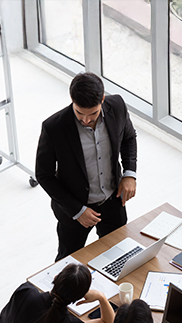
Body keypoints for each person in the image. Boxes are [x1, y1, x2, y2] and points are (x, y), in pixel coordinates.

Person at [36, 72, 139, 261]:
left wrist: (129, 173)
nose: (85, 120)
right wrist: (77, 210)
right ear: (72, 100)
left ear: (102, 99)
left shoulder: (117, 106)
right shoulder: (54, 127)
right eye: (79, 113)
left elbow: (129, 137)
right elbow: (44, 175)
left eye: (93, 113)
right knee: (68, 264)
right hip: (74, 210)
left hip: (113, 201)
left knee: (118, 257)